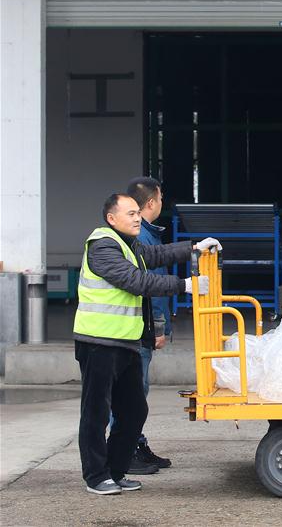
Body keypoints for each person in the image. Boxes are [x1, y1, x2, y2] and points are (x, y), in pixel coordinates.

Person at [74, 193, 220, 495]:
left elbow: (155, 257)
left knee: (133, 411)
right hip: (99, 342)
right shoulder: (102, 247)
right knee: (96, 412)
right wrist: (185, 286)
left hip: (125, 342)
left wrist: (193, 249)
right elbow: (135, 280)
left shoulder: (130, 245)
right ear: (112, 219)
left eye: (138, 212)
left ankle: (115, 471)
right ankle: (96, 476)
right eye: (130, 213)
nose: (137, 217)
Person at [123, 177, 176, 474]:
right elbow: (150, 286)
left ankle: (136, 444)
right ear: (152, 202)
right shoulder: (141, 236)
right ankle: (127, 450)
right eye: (161, 197)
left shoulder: (146, 234)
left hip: (139, 328)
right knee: (132, 392)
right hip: (137, 330)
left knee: (136, 392)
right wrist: (158, 326)